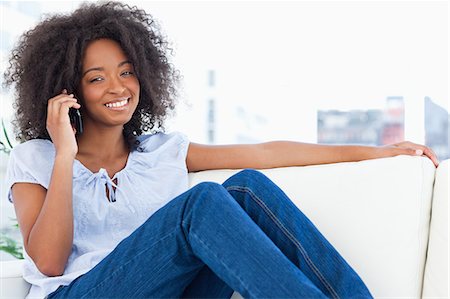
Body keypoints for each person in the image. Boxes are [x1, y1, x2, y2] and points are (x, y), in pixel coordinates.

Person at [3, 2, 439, 299]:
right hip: (84, 292)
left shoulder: (163, 151)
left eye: (127, 72)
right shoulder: (37, 158)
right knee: (202, 202)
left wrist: (375, 152)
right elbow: (50, 262)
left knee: (247, 187)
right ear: (67, 88)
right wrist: (64, 153)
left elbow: (266, 153)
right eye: (97, 78)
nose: (118, 88)